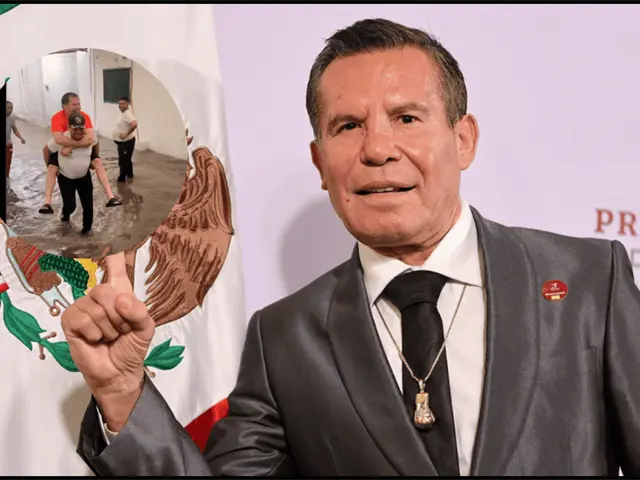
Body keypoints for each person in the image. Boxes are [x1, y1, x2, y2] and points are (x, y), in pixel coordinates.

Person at [62, 18, 640, 477]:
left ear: (463, 139)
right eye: (347, 127)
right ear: (320, 163)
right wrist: (123, 392)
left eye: (406, 117)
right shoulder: (283, 339)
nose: (378, 149)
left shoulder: (591, 280)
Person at [38, 92, 122, 215]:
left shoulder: (84, 117)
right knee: (51, 168)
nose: (78, 107)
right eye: (74, 104)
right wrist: (51, 165)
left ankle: (110, 197)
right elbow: (58, 140)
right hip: (61, 146)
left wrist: (73, 148)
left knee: (98, 162)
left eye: (79, 104)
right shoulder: (57, 118)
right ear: (64, 106)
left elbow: (90, 139)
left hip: (76, 145)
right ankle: (47, 203)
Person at [45, 111, 96, 234]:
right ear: (68, 127)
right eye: (75, 128)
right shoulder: (60, 139)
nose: (78, 132)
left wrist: (93, 160)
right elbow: (46, 150)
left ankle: (86, 232)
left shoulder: (89, 138)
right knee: (70, 205)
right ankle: (64, 217)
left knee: (88, 207)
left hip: (84, 177)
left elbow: (95, 144)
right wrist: (51, 167)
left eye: (81, 128)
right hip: (65, 178)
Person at [113, 96, 138, 182]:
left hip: (126, 143)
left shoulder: (127, 114)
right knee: (127, 161)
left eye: (123, 103)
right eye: (119, 103)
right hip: (124, 143)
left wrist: (126, 134)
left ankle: (121, 181)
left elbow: (134, 124)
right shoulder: (124, 113)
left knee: (123, 162)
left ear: (128, 104)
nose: (121, 105)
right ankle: (130, 177)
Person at [5, 100, 26, 177]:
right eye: (8, 108)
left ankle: (7, 177)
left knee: (8, 163)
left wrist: (21, 138)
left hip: (8, 145)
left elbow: (15, 130)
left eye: (11, 108)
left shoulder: (12, 117)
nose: (10, 110)